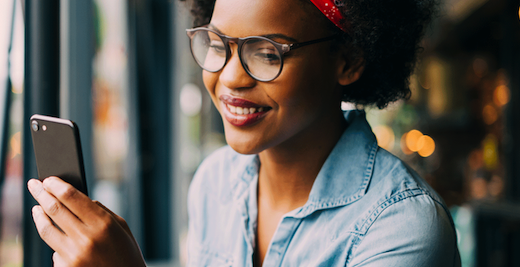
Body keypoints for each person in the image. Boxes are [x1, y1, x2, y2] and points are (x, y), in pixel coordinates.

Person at [27, 0, 461, 266]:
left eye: (266, 53)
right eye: (217, 44)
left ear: (347, 61)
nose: (230, 78)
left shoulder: (402, 229)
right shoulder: (213, 183)